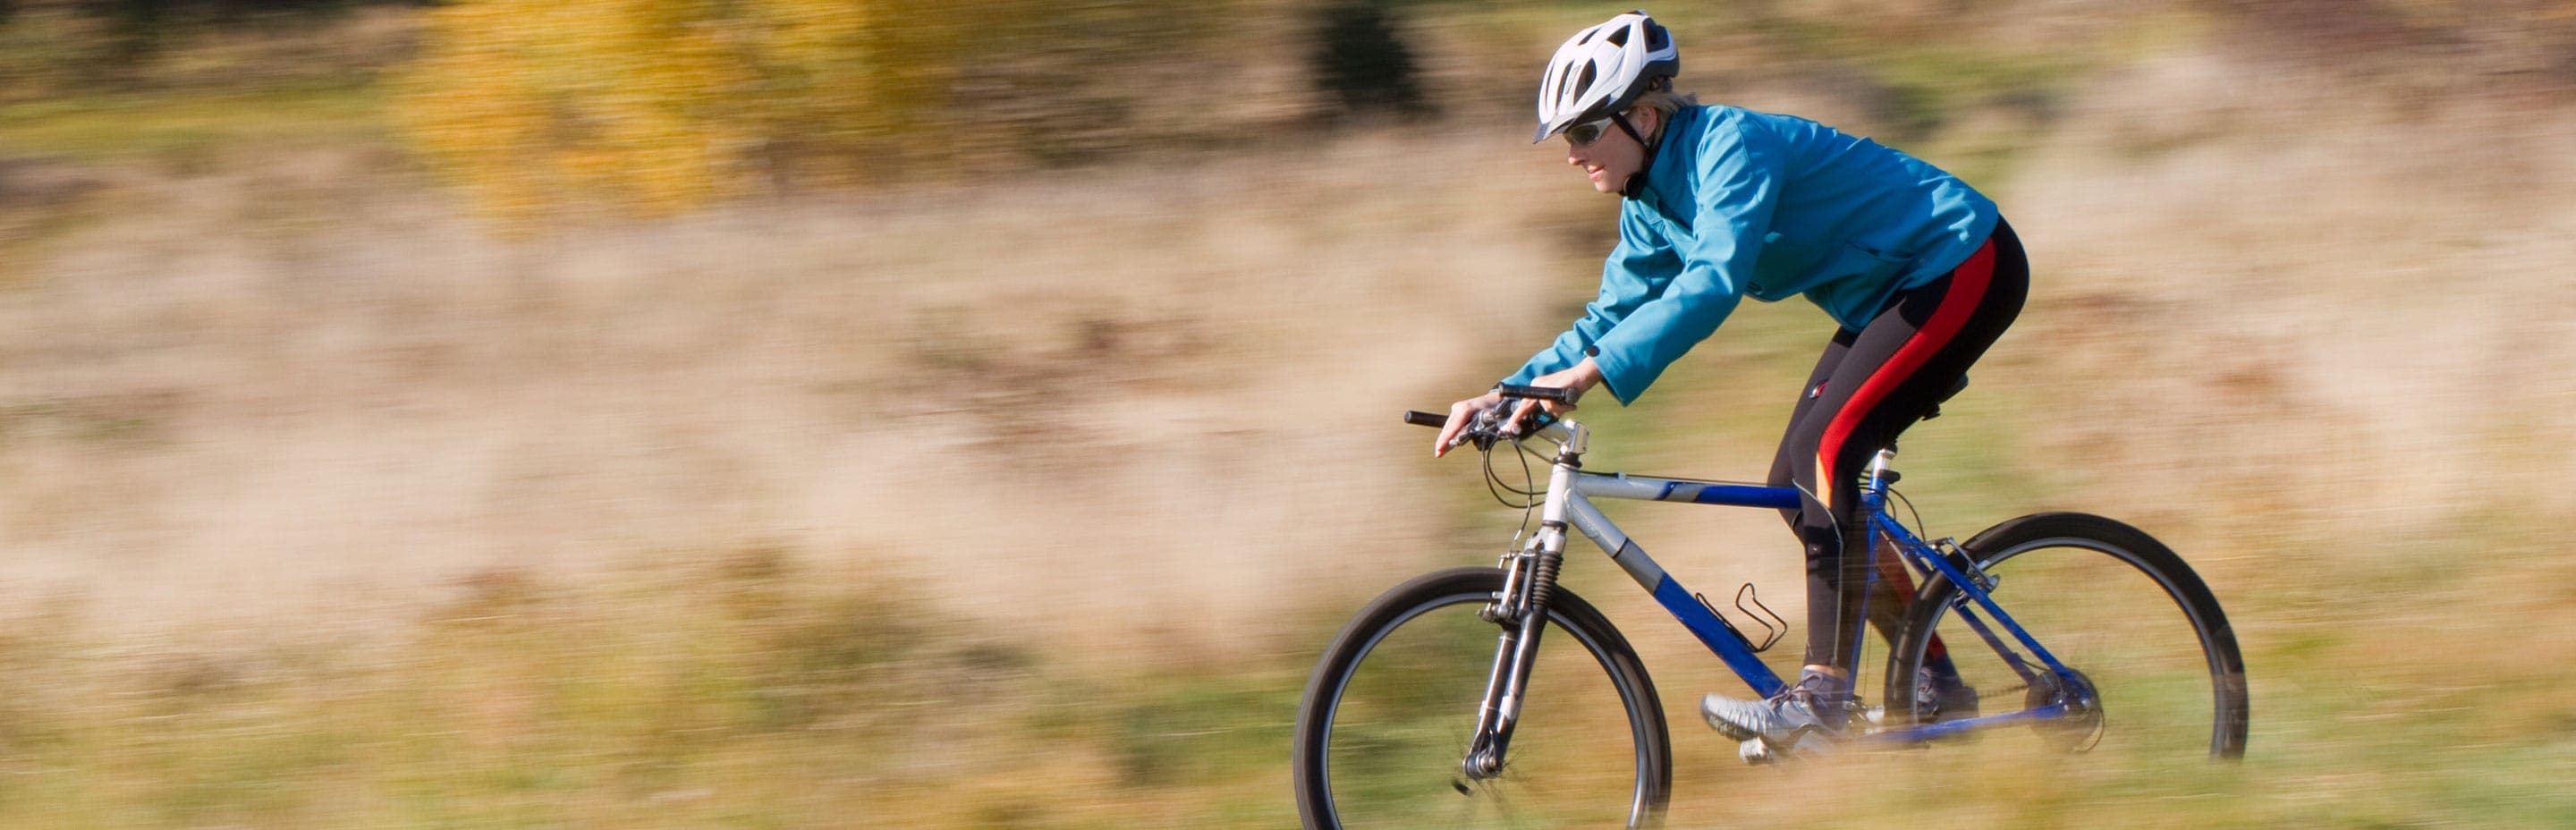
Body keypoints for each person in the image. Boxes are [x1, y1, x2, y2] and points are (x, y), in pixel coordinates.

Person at [1433, 10, 2027, 748]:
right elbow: (1608, 315)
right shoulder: (1649, 205)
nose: (1572, 154)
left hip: (1962, 259)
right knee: (1796, 480)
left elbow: (1714, 280)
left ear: (1643, 117)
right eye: (1566, 139)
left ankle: (1823, 698)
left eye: (1584, 132)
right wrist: (1508, 392)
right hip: (1892, 292)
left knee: (1825, 454)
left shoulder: (1729, 146)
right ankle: (1934, 679)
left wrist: (1586, 379)